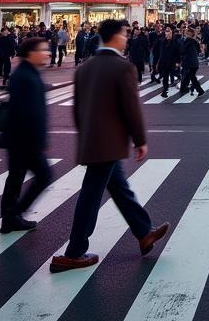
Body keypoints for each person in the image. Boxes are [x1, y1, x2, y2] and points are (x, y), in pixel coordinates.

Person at [50, 19, 169, 273]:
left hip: (93, 142)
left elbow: (77, 110)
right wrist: (140, 140)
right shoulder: (122, 67)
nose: (127, 38)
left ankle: (143, 231)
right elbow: (131, 109)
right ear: (115, 37)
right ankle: (74, 252)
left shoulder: (85, 68)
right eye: (125, 34)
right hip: (109, 144)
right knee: (91, 195)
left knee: (119, 188)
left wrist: (87, 135)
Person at [0, 35, 53, 234]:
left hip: (18, 138)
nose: (47, 53)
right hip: (25, 140)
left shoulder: (26, 73)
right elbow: (29, 113)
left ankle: (10, 218)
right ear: (31, 53)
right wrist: (39, 140)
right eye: (43, 49)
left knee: (15, 177)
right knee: (44, 175)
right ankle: (14, 214)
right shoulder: (25, 76)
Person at [156, 26, 181, 97]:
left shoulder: (176, 41)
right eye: (166, 31)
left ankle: (183, 84)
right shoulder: (163, 41)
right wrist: (158, 62)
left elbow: (179, 53)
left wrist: (178, 62)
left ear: (172, 32)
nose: (167, 33)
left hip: (173, 62)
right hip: (165, 62)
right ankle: (165, 90)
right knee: (165, 77)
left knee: (177, 74)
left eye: (169, 31)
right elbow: (161, 53)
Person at [179, 27, 204, 96]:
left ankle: (200, 90)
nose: (185, 33)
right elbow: (199, 50)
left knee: (190, 77)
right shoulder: (194, 41)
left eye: (186, 32)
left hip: (189, 63)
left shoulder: (187, 41)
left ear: (189, 34)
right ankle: (184, 89)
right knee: (188, 76)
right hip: (194, 63)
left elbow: (182, 51)